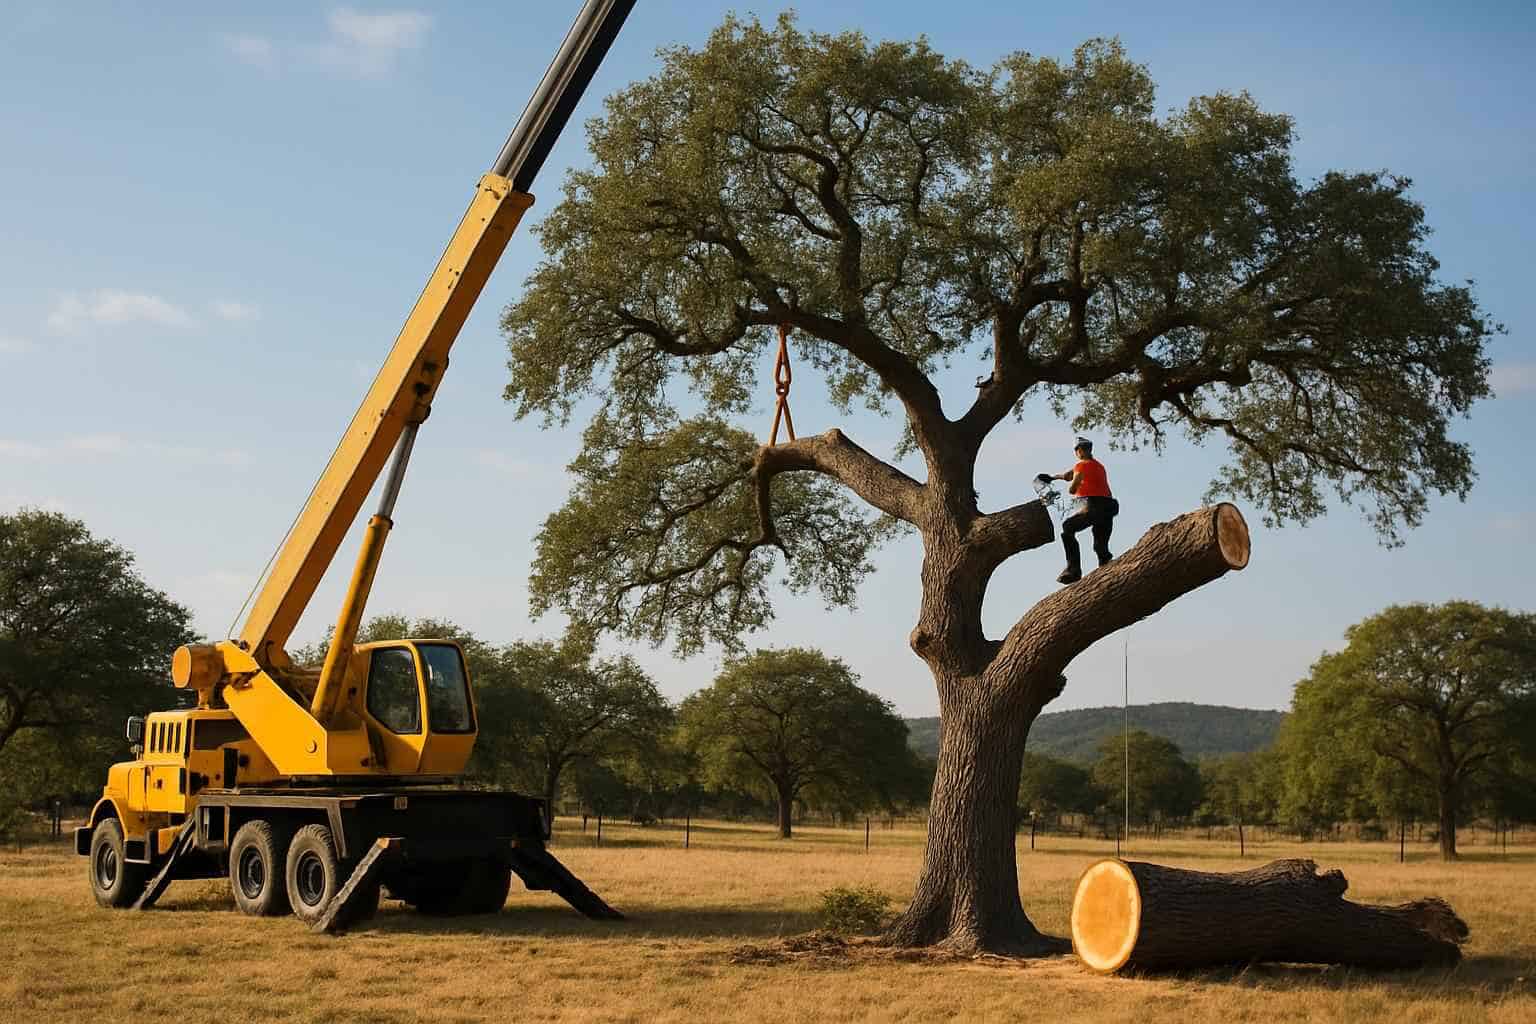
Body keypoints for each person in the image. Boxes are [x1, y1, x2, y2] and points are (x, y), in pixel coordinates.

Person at [1050, 437, 1117, 584]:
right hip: (1109, 507)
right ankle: (1106, 572)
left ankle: (1073, 570)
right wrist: (1055, 477)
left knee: (1067, 527)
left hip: (1094, 506)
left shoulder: (1081, 466)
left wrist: (1074, 484)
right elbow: (1068, 475)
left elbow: (1072, 488)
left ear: (1079, 450)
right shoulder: (1098, 466)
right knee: (1100, 547)